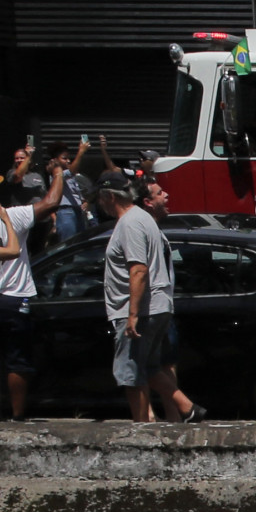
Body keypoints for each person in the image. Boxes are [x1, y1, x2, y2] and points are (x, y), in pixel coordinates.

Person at [100, 172, 200, 423]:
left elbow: (138, 269)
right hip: (154, 307)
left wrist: (132, 314)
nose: (99, 205)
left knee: (130, 373)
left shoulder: (130, 223)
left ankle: (141, 428)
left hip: (140, 310)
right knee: (149, 367)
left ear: (110, 196)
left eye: (100, 199)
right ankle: (188, 408)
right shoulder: (143, 219)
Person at [0, 166, 60, 420]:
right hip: (14, 298)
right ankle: (16, 415)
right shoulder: (11, 216)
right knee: (16, 361)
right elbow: (51, 202)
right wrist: (58, 174)